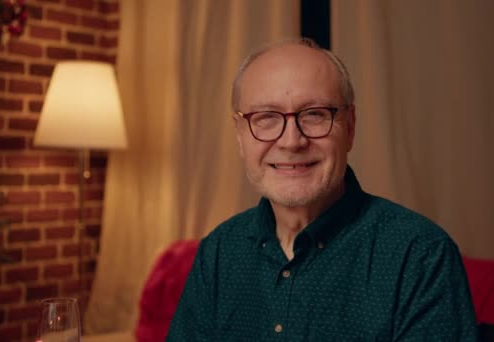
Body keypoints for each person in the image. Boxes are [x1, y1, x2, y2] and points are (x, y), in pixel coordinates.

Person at [166, 38, 478, 341]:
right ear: (239, 135)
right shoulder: (219, 251)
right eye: (266, 118)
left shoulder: (420, 255)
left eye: (315, 114)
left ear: (350, 126)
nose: (291, 141)